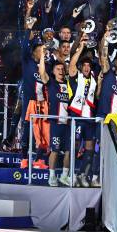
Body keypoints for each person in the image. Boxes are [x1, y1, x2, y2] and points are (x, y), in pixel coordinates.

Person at [17, 0, 49, 170]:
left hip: (42, 103)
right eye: (40, 49)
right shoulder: (27, 61)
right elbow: (24, 43)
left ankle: (40, 159)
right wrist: (29, 26)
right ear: (35, 50)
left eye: (43, 48)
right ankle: (23, 158)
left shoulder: (47, 65)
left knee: (43, 131)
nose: (42, 50)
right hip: (29, 102)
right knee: (27, 130)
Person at [68, 35, 98, 187]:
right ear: (81, 67)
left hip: (89, 118)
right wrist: (80, 49)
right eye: (84, 65)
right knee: (74, 146)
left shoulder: (93, 77)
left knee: (90, 149)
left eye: (89, 66)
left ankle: (81, 174)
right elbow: (71, 65)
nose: (87, 68)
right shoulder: (76, 76)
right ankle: (70, 174)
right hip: (77, 116)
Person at [39, 57, 72, 187]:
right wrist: (42, 54)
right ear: (53, 71)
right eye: (58, 69)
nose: (61, 71)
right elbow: (42, 72)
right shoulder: (51, 84)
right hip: (56, 123)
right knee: (55, 150)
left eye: (62, 69)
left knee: (69, 150)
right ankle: (51, 176)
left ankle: (64, 176)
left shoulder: (69, 85)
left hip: (69, 124)